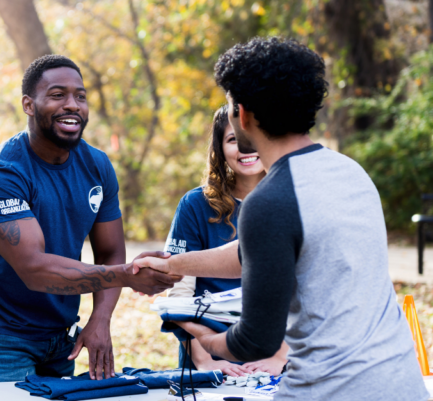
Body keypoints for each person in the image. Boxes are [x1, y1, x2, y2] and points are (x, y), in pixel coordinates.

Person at [134, 37, 428, 400]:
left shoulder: (269, 201)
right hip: (402, 381)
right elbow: (252, 252)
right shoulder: (350, 172)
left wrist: (207, 340)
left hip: (331, 390)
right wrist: (172, 265)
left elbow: (255, 339)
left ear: (243, 114)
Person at [0, 54, 180, 383]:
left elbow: (109, 251)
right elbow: (35, 268)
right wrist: (127, 275)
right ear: (29, 105)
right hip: (0, 336)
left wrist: (100, 318)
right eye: (58, 95)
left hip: (61, 337)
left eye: (80, 96)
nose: (72, 104)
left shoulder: (97, 165)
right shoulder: (0, 174)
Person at [164, 105, 287, 377]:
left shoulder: (291, 200)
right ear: (219, 149)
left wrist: (281, 357)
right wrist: (205, 361)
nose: (245, 147)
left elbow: (305, 289)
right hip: (210, 359)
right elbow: (180, 292)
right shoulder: (194, 205)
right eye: (234, 139)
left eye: (253, 137)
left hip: (276, 360)